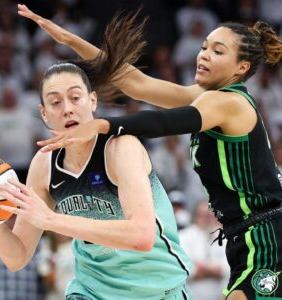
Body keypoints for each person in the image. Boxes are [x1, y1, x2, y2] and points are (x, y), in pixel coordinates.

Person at [17, 4, 282, 300]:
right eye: (204, 46)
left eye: (218, 51)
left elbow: (164, 121)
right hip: (242, 235)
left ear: (241, 68)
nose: (204, 54)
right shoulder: (206, 97)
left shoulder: (230, 103)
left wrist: (102, 125)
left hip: (267, 231)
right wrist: (71, 41)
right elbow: (136, 83)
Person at [0, 62, 191, 299]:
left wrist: (51, 219)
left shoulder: (120, 147)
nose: (67, 109)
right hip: (91, 291)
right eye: (55, 102)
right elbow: (17, 257)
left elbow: (142, 236)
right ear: (44, 113)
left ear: (92, 101)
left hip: (156, 289)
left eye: (75, 98)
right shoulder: (44, 165)